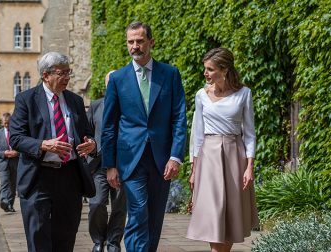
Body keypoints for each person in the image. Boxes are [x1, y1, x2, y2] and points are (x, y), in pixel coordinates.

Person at [101, 21, 187, 252]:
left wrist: (176, 157)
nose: (135, 46)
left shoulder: (170, 74)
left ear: (151, 42)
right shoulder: (118, 79)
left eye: (140, 41)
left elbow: (179, 118)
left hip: (162, 160)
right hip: (130, 159)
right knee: (138, 213)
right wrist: (109, 165)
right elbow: (109, 126)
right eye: (131, 42)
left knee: (155, 218)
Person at [9, 51, 97, 252]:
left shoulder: (74, 100)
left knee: (65, 240)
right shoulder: (26, 100)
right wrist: (43, 145)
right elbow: (16, 138)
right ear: (45, 75)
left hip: (70, 177)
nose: (67, 77)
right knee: (38, 239)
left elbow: (87, 133)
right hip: (38, 176)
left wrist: (91, 143)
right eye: (61, 73)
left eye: (69, 72)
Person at [187, 48, 259, 252]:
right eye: (205, 69)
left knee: (230, 215)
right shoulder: (201, 95)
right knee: (214, 212)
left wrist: (249, 166)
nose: (205, 73)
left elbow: (250, 133)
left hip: (235, 156)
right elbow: (197, 134)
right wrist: (194, 169)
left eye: (210, 69)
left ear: (224, 69)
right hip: (208, 158)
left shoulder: (244, 93)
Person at [87, 71, 127, 252]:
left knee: (119, 207)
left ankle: (113, 242)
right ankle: (98, 239)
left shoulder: (129, 106)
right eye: (109, 82)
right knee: (96, 203)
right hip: (99, 165)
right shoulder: (96, 106)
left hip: (122, 165)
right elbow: (87, 133)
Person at [0, 112, 19, 212]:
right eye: (5, 123)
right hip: (3, 163)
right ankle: (4, 201)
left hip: (15, 163)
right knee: (4, 183)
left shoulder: (16, 133)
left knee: (13, 185)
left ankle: (10, 205)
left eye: (8, 123)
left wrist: (17, 152)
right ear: (2, 122)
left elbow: (23, 146)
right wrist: (4, 153)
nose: (6, 125)